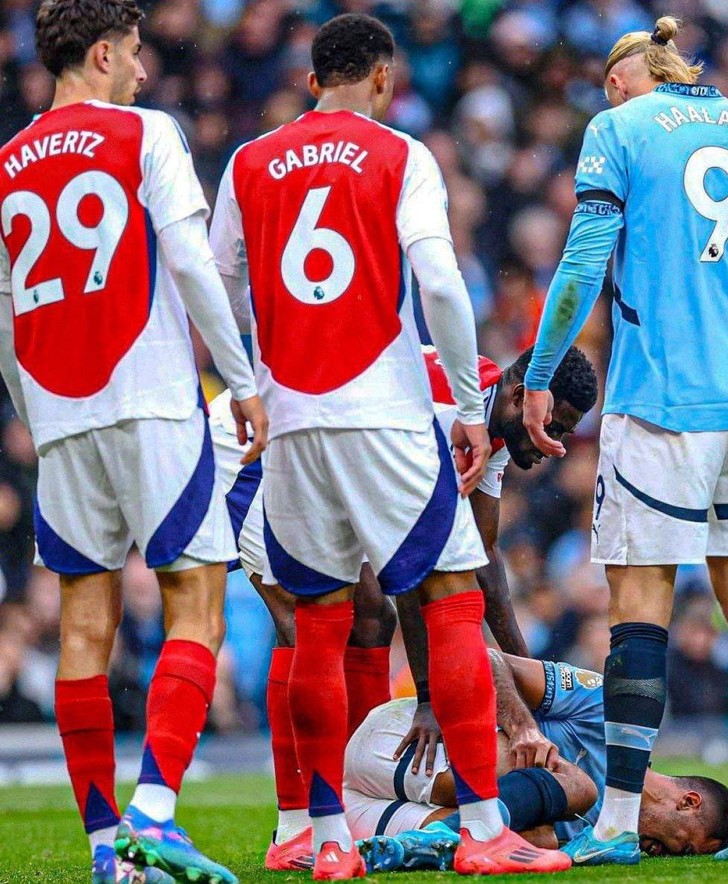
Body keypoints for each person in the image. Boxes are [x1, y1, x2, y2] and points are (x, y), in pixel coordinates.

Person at [208, 12, 570, 880]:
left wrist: (249, 380)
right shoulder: (400, 154)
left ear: (309, 80)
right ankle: (486, 832)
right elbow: (440, 279)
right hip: (383, 410)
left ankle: (329, 840)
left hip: (290, 419)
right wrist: (474, 401)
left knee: (319, 629)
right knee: (448, 602)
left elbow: (217, 278)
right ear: (382, 79)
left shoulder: (249, 162)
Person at [521, 16, 728, 865]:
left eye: (606, 81)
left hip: (661, 404)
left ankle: (619, 821)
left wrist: (543, 370)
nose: (603, 92)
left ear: (626, 78)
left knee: (640, 615)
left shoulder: (617, 129)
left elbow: (584, 261)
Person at [0, 2, 268, 883]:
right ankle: (154, 813)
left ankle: (101, 850)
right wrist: (242, 380)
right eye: (139, 55)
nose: (147, 72)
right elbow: (190, 263)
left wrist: (33, 410)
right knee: (196, 601)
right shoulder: (145, 132)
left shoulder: (7, 164)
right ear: (105, 53)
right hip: (150, 398)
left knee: (85, 626)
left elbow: (5, 314)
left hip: (61, 415)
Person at [209, 343, 597, 870]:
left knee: (371, 621)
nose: (557, 445)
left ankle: (335, 811)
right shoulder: (444, 412)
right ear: (520, 396)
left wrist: (527, 684)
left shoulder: (494, 425)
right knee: (308, 627)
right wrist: (428, 699)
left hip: (328, 447)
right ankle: (297, 827)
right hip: (258, 448)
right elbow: (421, 575)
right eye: (558, 425)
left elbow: (479, 561)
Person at [344, 649, 728, 870]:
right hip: (411, 739)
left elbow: (528, 840)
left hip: (372, 805)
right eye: (683, 848)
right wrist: (523, 729)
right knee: (577, 786)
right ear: (689, 802)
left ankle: (415, 846)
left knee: (520, 834)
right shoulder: (608, 713)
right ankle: (440, 837)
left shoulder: (599, 838)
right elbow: (485, 658)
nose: (664, 854)